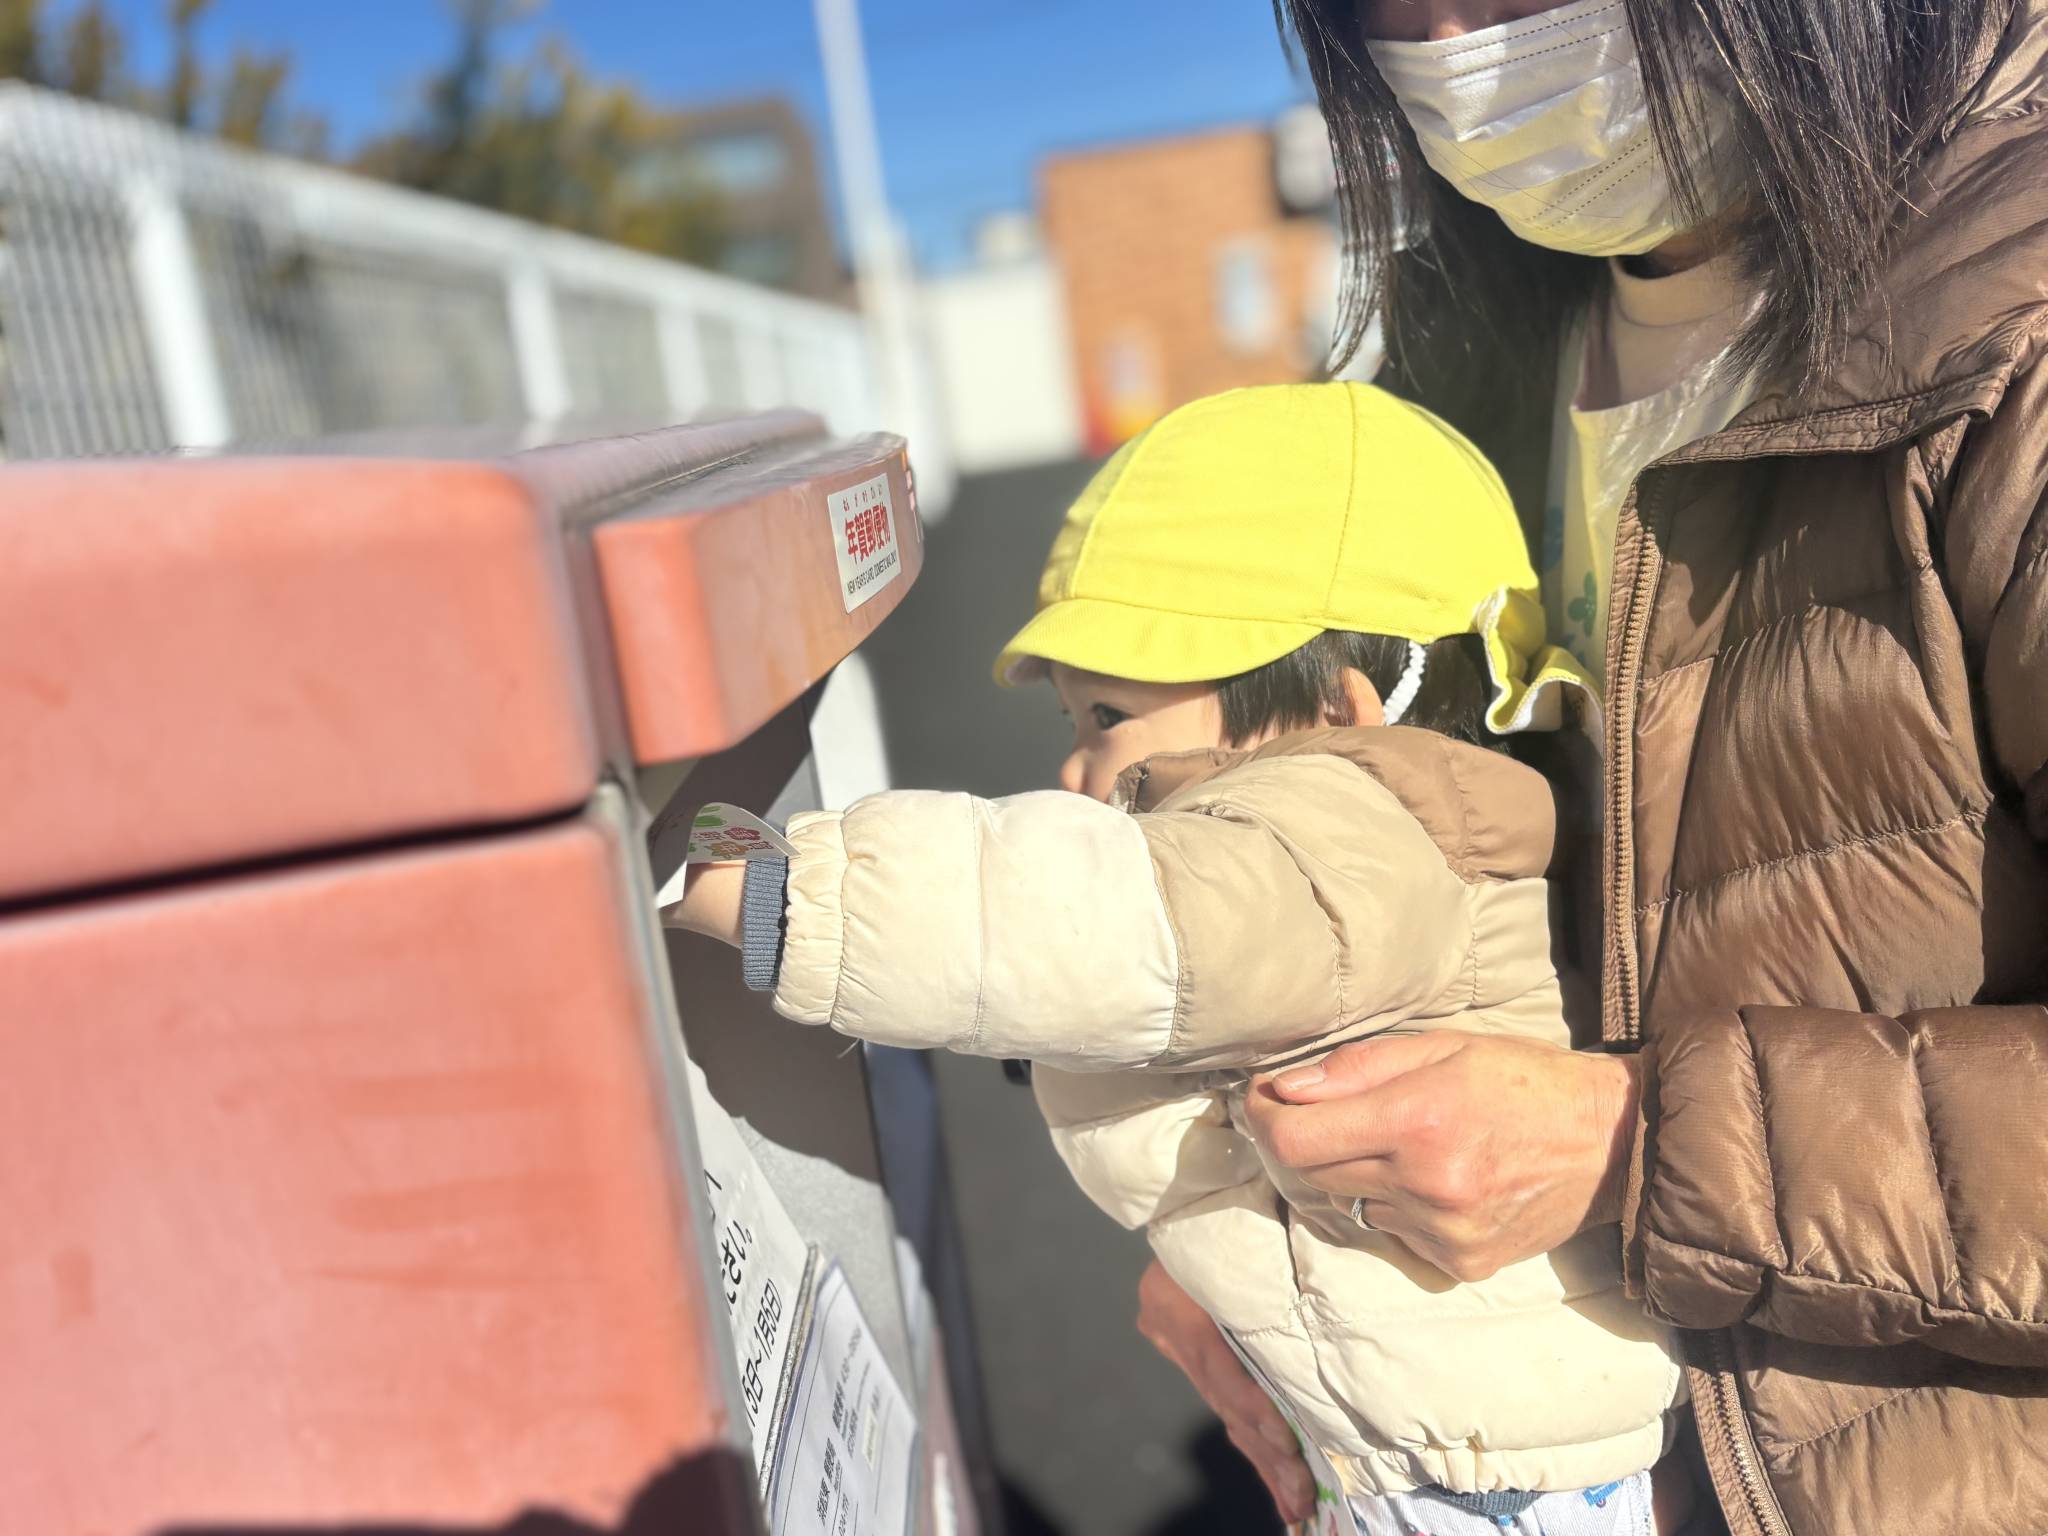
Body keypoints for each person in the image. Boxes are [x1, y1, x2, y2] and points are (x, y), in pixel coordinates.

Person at [1138, 3, 2048, 1534]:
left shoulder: (2012, 333)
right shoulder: (1460, 366)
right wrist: (1232, 1208)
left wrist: (1634, 1146)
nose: (1453, 41)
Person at [672, 381, 1690, 1533]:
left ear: (1339, 712)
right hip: (1439, 1433)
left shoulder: (1345, 833)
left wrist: (770, 894)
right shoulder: (1376, 850)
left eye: (1105, 716)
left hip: (1481, 1463)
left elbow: (1094, 925)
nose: (1071, 771)